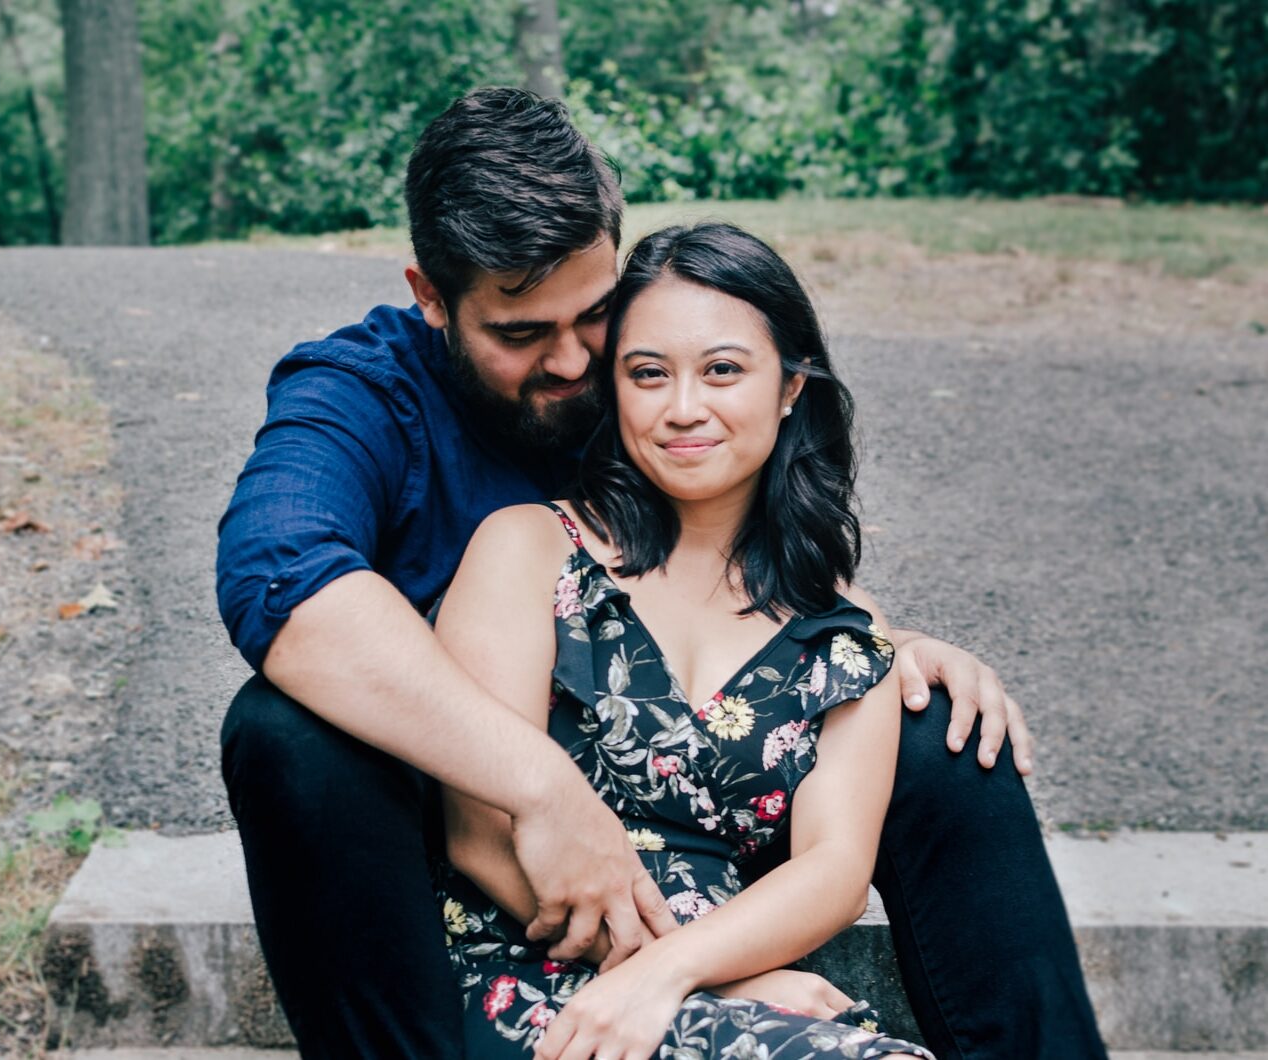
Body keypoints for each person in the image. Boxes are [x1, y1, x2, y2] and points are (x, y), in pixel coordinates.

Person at [217, 87, 1106, 1059]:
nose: (570, 362)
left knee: (935, 723)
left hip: (694, 803)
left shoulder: (643, 372)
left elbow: (741, 551)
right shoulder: (364, 395)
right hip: (462, 832)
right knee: (285, 732)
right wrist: (540, 787)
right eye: (519, 333)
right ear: (431, 296)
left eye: (594, 317)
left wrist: (869, 646)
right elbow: (282, 581)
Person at [434, 220, 932, 1059]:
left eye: (724, 370)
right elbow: (479, 836)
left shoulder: (845, 631)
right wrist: (686, 976)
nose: (683, 409)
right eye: (647, 374)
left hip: (721, 980)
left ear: (789, 388)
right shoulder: (527, 549)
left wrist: (683, 975)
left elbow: (837, 873)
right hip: (529, 972)